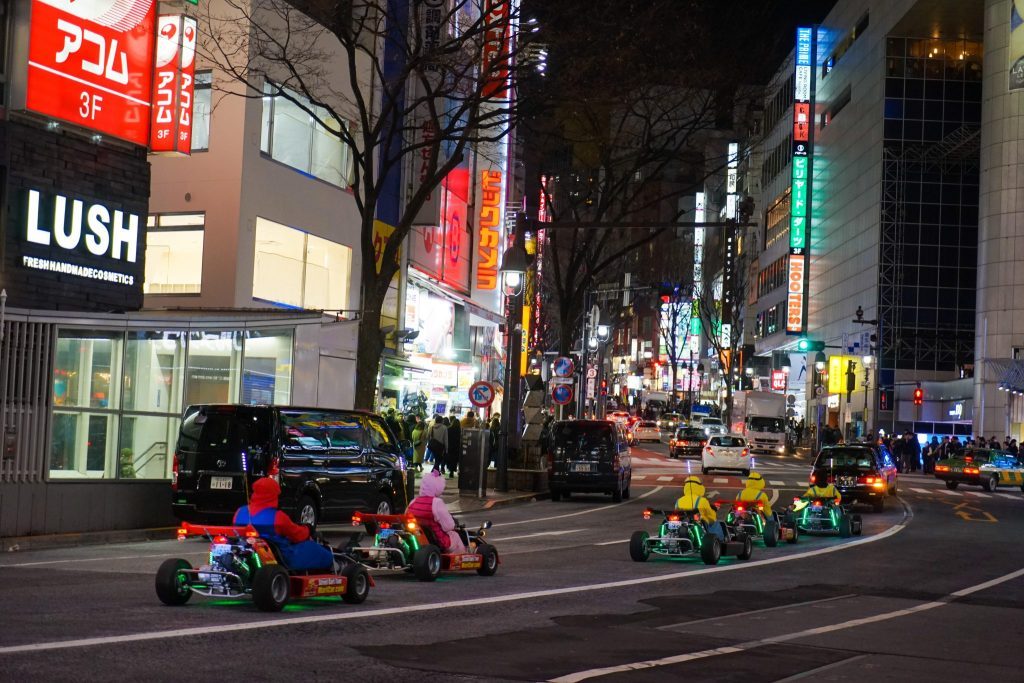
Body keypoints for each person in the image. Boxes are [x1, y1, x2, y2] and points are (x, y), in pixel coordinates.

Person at [233, 477, 334, 570]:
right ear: (273, 495)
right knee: (315, 549)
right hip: (282, 557)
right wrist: (308, 528)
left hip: (246, 551)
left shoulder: (240, 512)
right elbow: (298, 535)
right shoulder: (277, 517)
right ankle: (334, 563)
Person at [406, 470, 466, 553]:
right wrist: (454, 524)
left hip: (416, 539)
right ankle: (462, 558)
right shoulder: (436, 503)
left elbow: (406, 518)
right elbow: (449, 526)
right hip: (437, 541)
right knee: (455, 535)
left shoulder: (413, 502)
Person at [446, 410, 462, 479]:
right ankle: (452, 471)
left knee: (450, 458)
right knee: (454, 460)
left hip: (450, 446)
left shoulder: (449, 429)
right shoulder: (460, 430)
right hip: (457, 447)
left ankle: (450, 470)